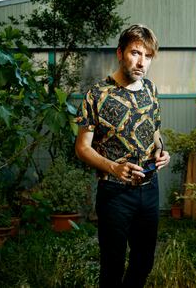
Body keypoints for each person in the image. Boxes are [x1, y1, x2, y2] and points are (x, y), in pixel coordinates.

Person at [75, 24, 170, 288]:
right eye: (135, 53)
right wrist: (114, 168)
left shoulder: (151, 90)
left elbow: (156, 132)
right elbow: (82, 147)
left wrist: (162, 151)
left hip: (149, 190)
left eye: (148, 56)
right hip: (114, 194)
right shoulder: (96, 94)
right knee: (112, 268)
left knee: (143, 263)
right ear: (120, 53)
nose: (142, 62)